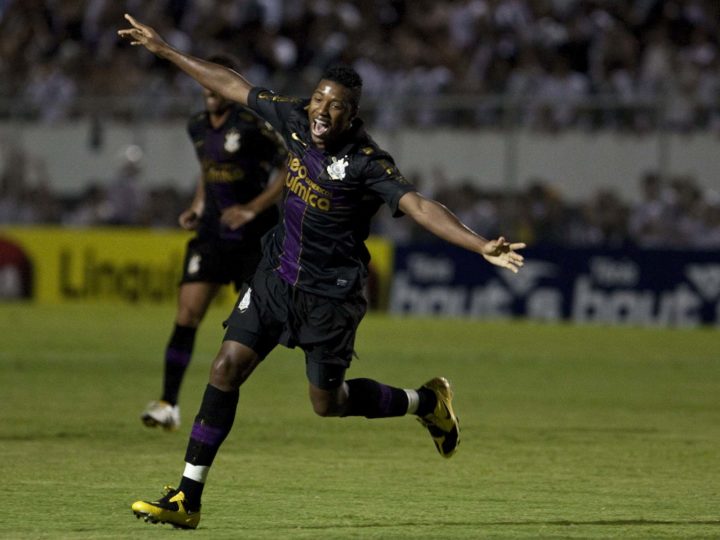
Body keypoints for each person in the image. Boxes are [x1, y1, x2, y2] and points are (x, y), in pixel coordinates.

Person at [119, 14, 525, 530]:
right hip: (275, 276)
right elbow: (233, 85)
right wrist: (166, 50)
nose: (321, 111)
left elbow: (419, 205)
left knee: (327, 403)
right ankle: (187, 498)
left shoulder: (366, 162)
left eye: (335, 105)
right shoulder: (293, 120)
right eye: (318, 99)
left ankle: (426, 401)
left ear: (352, 114)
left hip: (329, 296)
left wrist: (479, 244)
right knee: (224, 368)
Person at [141, 53, 287, 431]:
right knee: (187, 314)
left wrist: (252, 210)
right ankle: (168, 403)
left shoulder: (253, 125)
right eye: (203, 80)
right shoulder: (196, 127)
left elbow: (289, 169)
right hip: (212, 234)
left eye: (216, 81)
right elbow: (208, 172)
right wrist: (196, 206)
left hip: (254, 238)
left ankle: (233, 397)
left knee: (255, 326)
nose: (208, 87)